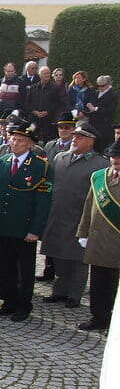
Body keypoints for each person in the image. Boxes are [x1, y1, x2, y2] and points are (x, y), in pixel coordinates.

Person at [40, 121, 109, 309]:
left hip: (80, 217)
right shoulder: (60, 158)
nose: (74, 139)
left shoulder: (100, 164)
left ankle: (74, 294)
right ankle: (59, 290)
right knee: (58, 254)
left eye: (80, 137)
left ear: (91, 141)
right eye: (74, 136)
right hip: (58, 214)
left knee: (78, 258)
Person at [0, 120, 52, 322]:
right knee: (5, 265)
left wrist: (35, 230)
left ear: (30, 144)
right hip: (4, 224)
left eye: (20, 140)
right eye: (13, 139)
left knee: (24, 268)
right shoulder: (3, 161)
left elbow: (43, 201)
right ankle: (8, 301)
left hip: (25, 226)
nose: (15, 143)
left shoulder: (40, 166)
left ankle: (23, 304)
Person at [76, 139, 120, 331]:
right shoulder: (99, 176)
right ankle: (99, 317)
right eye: (113, 159)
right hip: (98, 241)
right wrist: (83, 232)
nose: (115, 162)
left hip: (117, 242)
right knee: (98, 283)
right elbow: (89, 206)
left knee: (114, 285)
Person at [26, 66, 68, 143]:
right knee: (30, 134)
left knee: (48, 139)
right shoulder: (33, 88)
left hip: (48, 119)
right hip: (34, 119)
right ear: (40, 75)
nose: (47, 75)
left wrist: (47, 112)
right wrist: (34, 111)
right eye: (45, 73)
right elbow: (28, 102)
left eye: (48, 73)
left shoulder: (56, 88)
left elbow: (58, 103)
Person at [88, 76, 117, 152]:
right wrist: (88, 106)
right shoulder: (95, 93)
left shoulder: (113, 95)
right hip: (93, 123)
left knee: (102, 146)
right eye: (98, 85)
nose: (100, 87)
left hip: (104, 125)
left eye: (102, 86)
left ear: (108, 84)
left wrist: (95, 109)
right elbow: (91, 104)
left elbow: (110, 110)